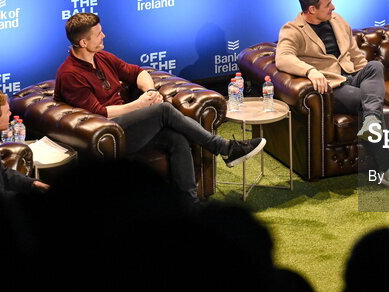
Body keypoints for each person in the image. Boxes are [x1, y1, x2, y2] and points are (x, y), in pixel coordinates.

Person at [54, 12, 264, 201]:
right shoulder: (70, 74)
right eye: (98, 34)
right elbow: (100, 113)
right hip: (107, 134)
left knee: (176, 139)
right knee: (163, 110)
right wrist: (139, 105)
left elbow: (138, 72)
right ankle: (224, 147)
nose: (104, 36)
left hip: (128, 126)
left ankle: (189, 204)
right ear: (83, 42)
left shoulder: (101, 57)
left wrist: (150, 92)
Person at [274, 0, 389, 190]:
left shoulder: (337, 20)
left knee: (375, 66)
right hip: (332, 85)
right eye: (328, 4)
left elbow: (355, 55)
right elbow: (282, 58)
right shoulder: (293, 29)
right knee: (366, 101)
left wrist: (364, 75)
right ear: (312, 9)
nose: (333, 7)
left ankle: (371, 121)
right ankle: (388, 168)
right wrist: (310, 71)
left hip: (351, 74)